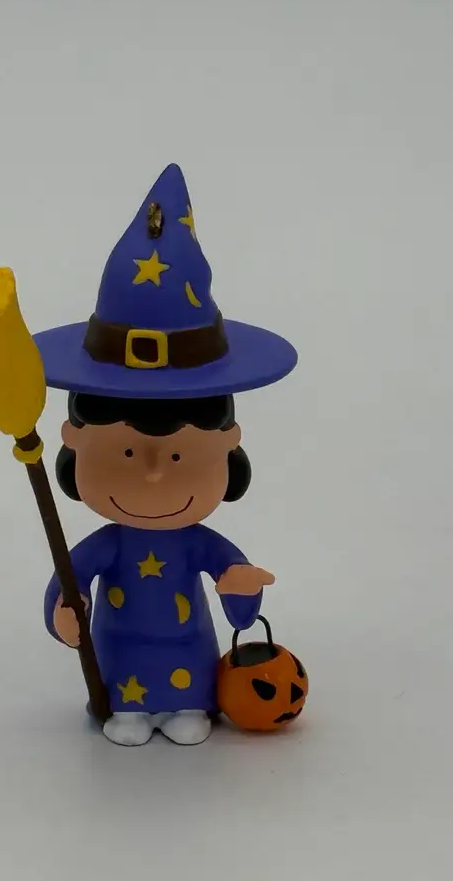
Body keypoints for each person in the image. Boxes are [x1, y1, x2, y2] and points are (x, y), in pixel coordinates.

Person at [33, 163, 298, 745]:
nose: (153, 474)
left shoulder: (197, 543)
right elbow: (69, 581)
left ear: (229, 446)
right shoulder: (110, 545)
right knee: (126, 707)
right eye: (126, 453)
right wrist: (65, 612)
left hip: (190, 662)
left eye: (179, 458)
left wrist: (239, 586)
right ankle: (129, 710)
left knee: (187, 712)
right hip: (117, 666)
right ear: (73, 441)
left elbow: (237, 596)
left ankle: (185, 706)